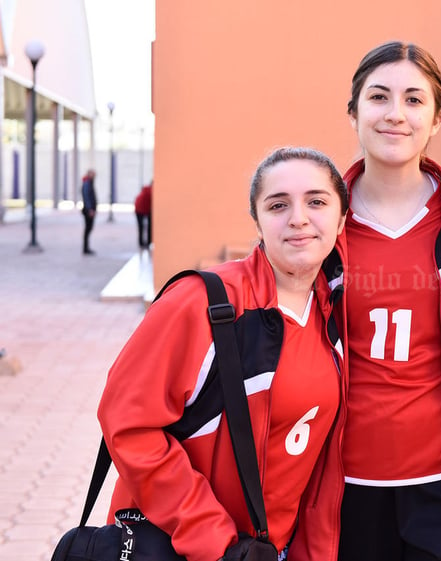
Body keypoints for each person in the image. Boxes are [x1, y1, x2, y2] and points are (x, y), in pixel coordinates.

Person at [288, 41, 441, 561]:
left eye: (414, 99)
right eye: (379, 97)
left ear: (437, 119)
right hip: (341, 483)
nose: (395, 115)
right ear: (354, 112)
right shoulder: (318, 219)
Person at [97, 147, 348, 561]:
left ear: (340, 220)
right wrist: (211, 537)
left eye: (317, 202)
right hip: (191, 549)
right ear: (258, 220)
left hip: (275, 550)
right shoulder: (203, 302)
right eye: (278, 204)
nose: (298, 218)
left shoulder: (334, 314)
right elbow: (126, 422)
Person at [81, 169, 97, 255]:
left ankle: (86, 247)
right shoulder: (87, 183)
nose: (94, 176)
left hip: (90, 209)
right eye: (93, 174)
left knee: (89, 229)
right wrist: (90, 209)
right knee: (88, 228)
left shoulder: (89, 183)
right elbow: (86, 197)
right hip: (88, 210)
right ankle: (85, 248)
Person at [135, 181, 153, 249]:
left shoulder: (146, 189)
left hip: (140, 209)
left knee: (141, 227)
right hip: (143, 209)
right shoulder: (151, 191)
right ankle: (147, 242)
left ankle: (143, 243)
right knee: (147, 227)